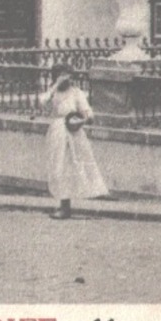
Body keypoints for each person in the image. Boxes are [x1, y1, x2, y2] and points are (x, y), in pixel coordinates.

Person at [41, 64, 107, 220]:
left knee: (74, 167)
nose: (66, 79)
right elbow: (42, 103)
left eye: (68, 76)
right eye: (62, 76)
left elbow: (88, 112)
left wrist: (83, 118)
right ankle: (64, 205)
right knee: (59, 167)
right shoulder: (53, 93)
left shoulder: (76, 93)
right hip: (58, 133)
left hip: (74, 132)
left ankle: (70, 204)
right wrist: (55, 86)